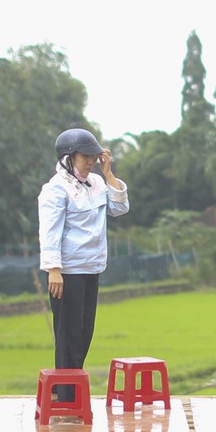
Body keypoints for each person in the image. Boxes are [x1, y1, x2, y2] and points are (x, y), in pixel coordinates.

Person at [38, 127, 129, 373]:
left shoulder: (97, 183)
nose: (90, 161)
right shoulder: (56, 189)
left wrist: (108, 174)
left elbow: (119, 209)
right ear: (68, 158)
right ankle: (66, 393)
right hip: (68, 272)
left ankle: (71, 387)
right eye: (84, 156)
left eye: (93, 156)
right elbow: (50, 231)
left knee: (84, 332)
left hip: (92, 267)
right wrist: (53, 270)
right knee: (68, 335)